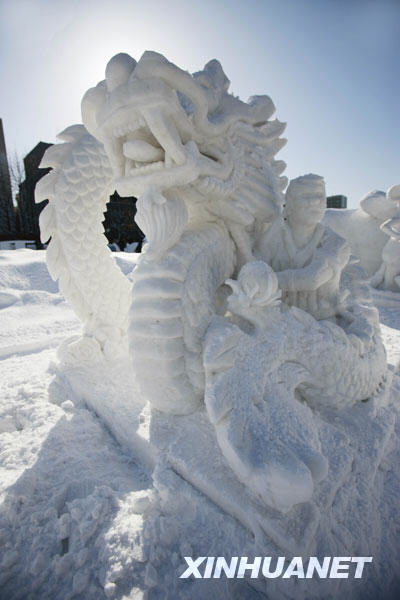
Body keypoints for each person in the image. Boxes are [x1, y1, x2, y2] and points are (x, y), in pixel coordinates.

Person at [255, 174, 350, 320]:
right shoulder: (272, 235)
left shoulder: (336, 244)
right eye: (306, 196)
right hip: (274, 318)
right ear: (290, 203)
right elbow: (253, 268)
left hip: (321, 322)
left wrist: (264, 281)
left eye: (320, 195)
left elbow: (312, 279)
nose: (315, 201)